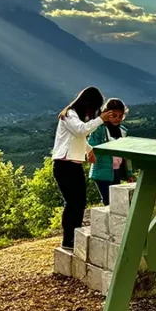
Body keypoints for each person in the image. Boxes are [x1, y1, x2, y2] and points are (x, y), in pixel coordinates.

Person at [52, 87, 110, 250]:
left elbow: (78, 138)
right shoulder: (69, 114)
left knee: (79, 202)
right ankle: (68, 239)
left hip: (73, 164)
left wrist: (89, 150)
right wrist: (100, 119)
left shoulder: (74, 116)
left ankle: (73, 237)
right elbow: (80, 131)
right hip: (64, 165)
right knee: (72, 202)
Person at [87, 98, 129, 206]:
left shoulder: (123, 131)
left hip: (116, 170)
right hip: (102, 170)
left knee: (117, 200)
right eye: (114, 115)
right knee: (108, 201)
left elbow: (126, 154)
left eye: (120, 116)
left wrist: (128, 173)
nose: (117, 119)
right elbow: (91, 144)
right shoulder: (99, 129)